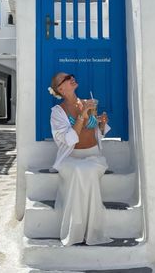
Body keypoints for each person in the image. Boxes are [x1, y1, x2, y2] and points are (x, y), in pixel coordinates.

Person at [49, 72, 113, 246]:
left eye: (72, 76)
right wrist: (81, 116)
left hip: (93, 156)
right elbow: (70, 139)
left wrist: (100, 121)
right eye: (67, 77)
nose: (72, 78)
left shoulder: (87, 102)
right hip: (70, 158)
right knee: (79, 170)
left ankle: (92, 230)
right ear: (60, 88)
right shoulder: (57, 112)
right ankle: (75, 229)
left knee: (88, 170)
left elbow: (97, 131)